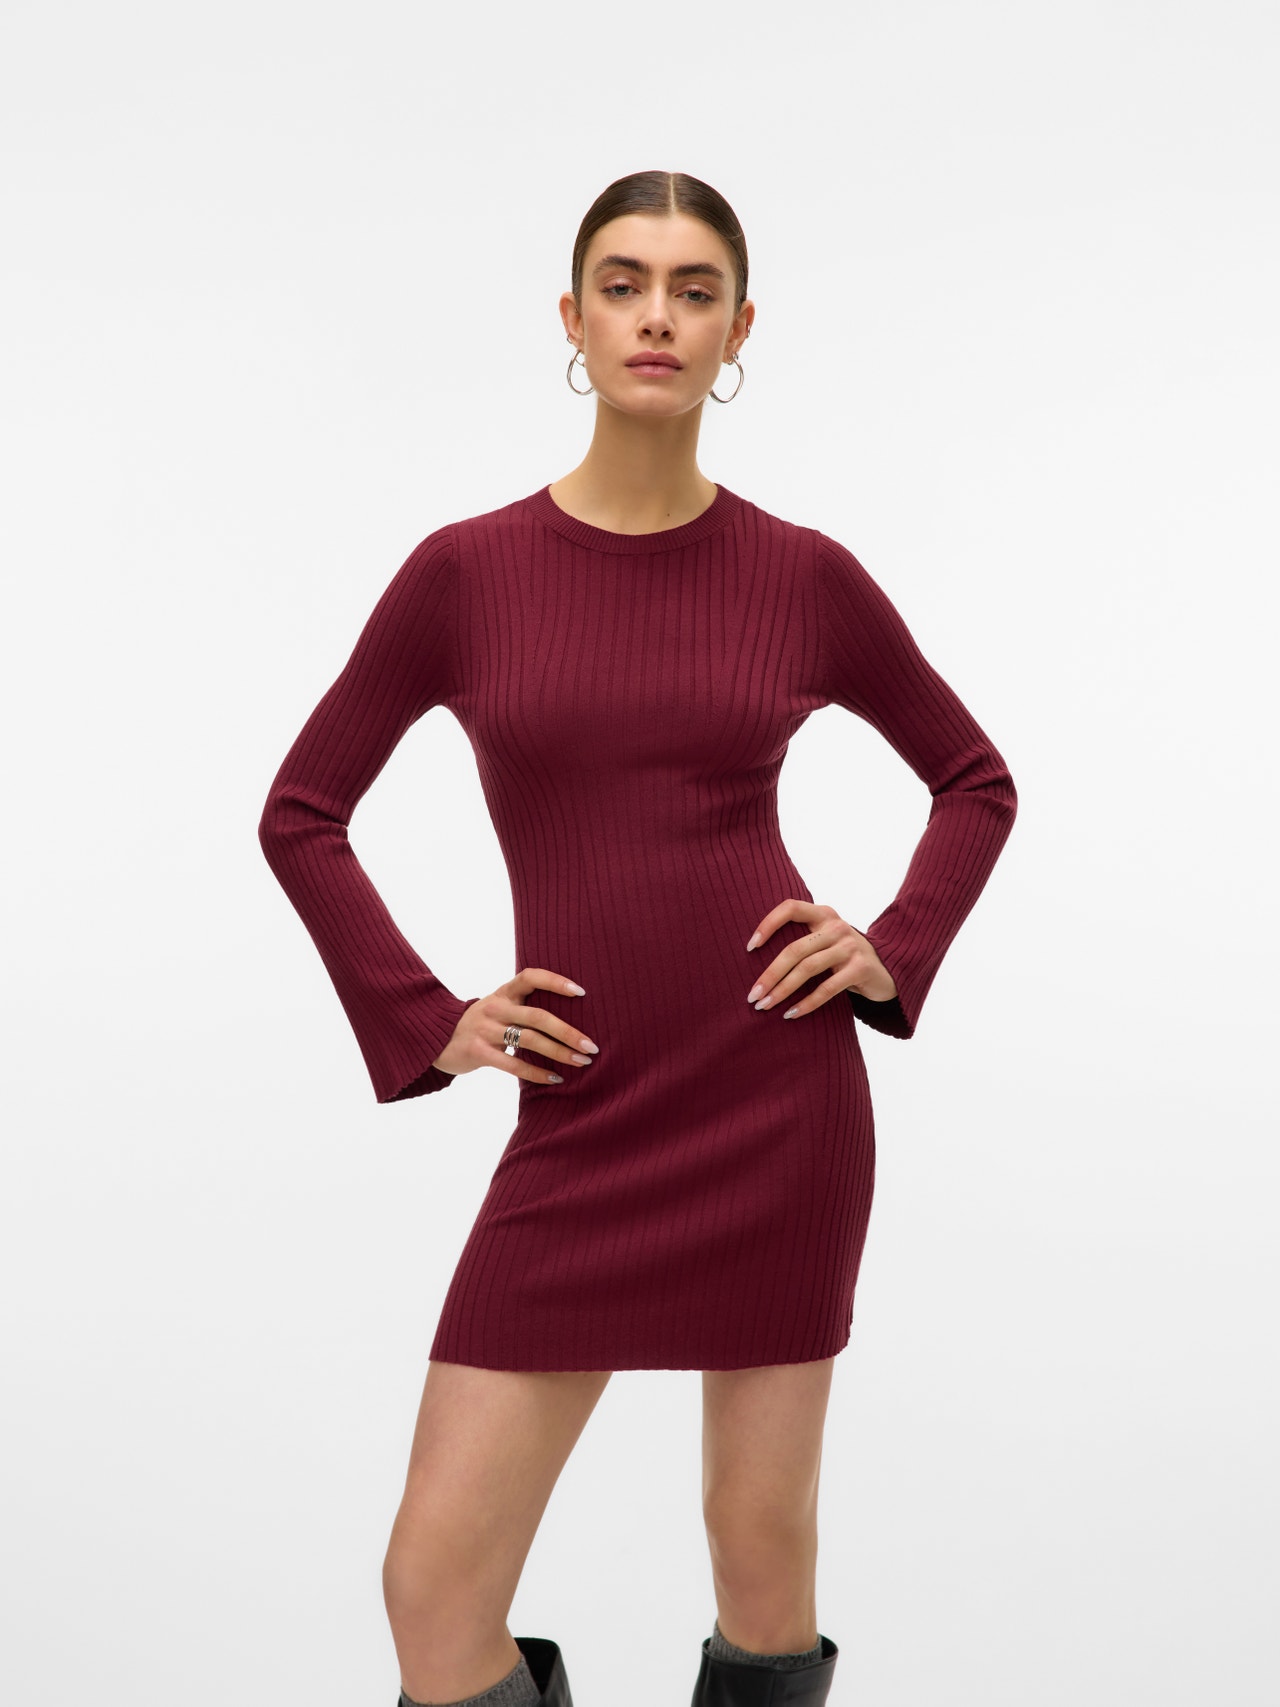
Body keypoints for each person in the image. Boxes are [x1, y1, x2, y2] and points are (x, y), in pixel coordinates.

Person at [257, 168, 1018, 1707]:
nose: (656, 317)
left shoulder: (802, 573)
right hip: (583, 1108)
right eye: (622, 284)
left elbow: (974, 781)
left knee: (760, 1548)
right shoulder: (467, 573)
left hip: (775, 1099)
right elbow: (303, 811)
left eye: (691, 289)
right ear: (573, 317)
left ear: (740, 327)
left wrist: (893, 943)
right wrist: (430, 1017)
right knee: (432, 1587)